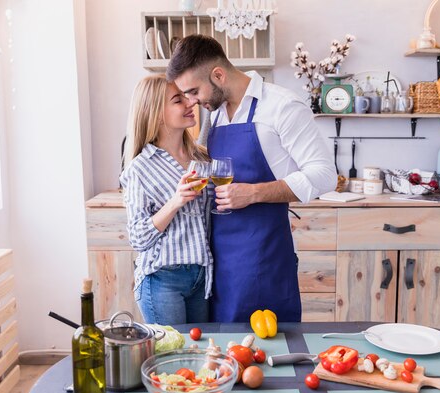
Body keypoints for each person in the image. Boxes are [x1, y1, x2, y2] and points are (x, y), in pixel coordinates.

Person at [167, 35, 336, 323]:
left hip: (264, 255)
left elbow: (324, 176)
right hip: (220, 260)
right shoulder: (215, 114)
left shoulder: (282, 106)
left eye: (194, 91)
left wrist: (254, 193)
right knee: (225, 354)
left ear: (218, 75)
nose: (193, 102)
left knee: (271, 351)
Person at [120, 74, 213, 325]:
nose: (189, 103)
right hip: (162, 281)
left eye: (187, 96)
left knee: (198, 354)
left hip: (202, 278)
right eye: (177, 100)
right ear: (157, 113)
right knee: (172, 358)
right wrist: (175, 202)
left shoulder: (203, 159)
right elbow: (138, 238)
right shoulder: (140, 169)